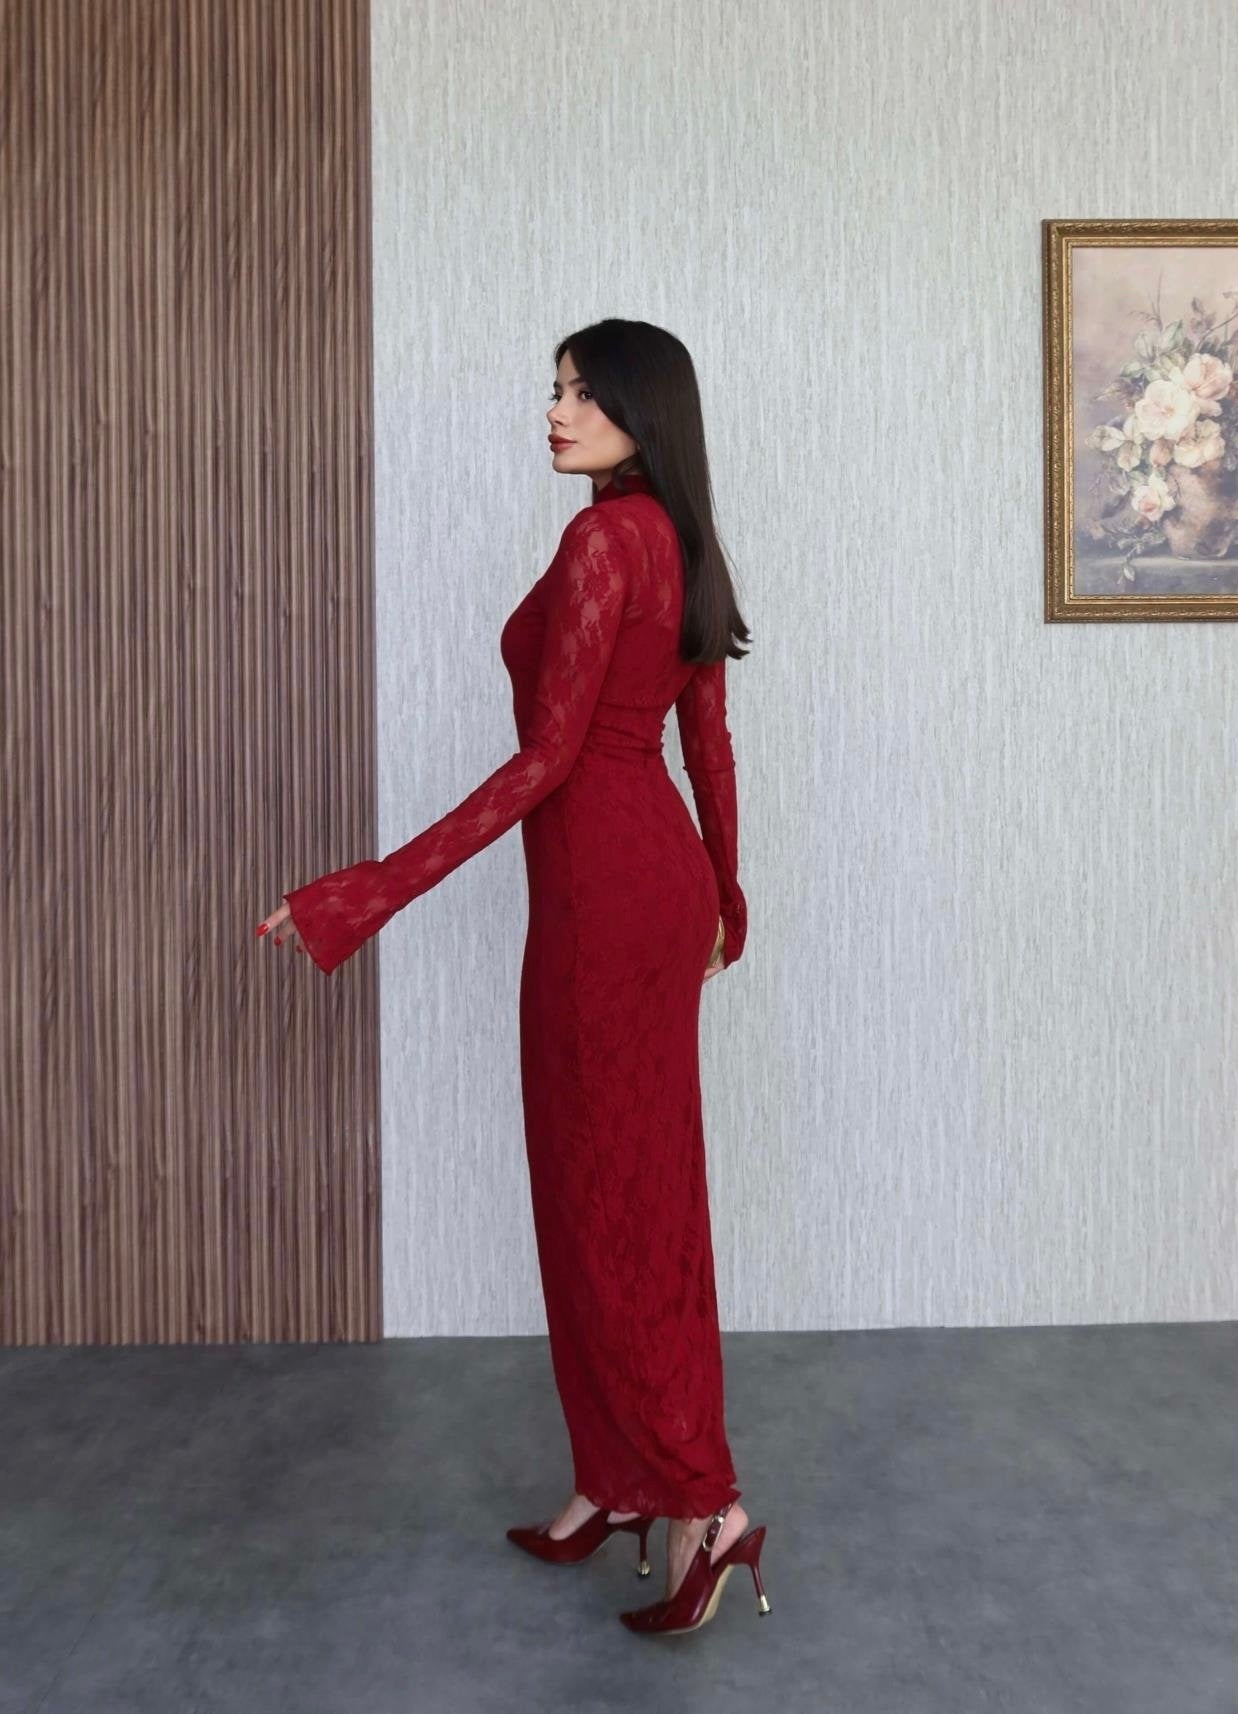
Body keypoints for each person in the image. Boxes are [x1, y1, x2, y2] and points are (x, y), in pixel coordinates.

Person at [257, 318, 770, 1635]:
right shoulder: (676, 536)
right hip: (652, 885)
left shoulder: (605, 544)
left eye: (583, 393)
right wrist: (724, 888)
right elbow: (705, 742)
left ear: (642, 410)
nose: (556, 410)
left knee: (616, 1202)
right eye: (554, 389)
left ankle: (704, 1501)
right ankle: (619, 1476)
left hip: (605, 897)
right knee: (616, 1191)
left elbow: (549, 760)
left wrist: (362, 893)